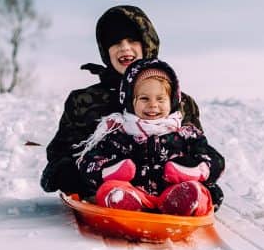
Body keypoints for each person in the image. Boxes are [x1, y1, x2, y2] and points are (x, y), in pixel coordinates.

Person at [40, 5, 203, 195]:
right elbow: (61, 152)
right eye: (115, 43)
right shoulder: (83, 101)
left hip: (166, 189)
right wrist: (66, 173)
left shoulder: (181, 103)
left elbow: (198, 147)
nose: (124, 48)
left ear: (147, 44)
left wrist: (198, 172)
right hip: (105, 191)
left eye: (132, 40)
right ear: (106, 51)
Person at [76, 58, 224, 216]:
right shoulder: (118, 133)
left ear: (172, 101)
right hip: (135, 192)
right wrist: (111, 170)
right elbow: (88, 163)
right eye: (144, 98)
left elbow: (215, 160)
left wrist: (196, 170)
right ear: (130, 101)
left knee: (197, 190)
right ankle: (124, 202)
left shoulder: (186, 134)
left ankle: (183, 203)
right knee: (109, 188)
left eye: (160, 99)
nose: (153, 105)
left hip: (173, 192)